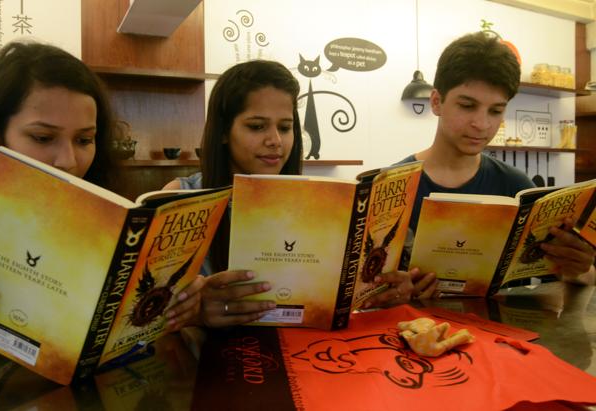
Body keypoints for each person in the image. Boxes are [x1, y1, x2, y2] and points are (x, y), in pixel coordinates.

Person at [0, 41, 203, 382]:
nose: (69, 161)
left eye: (84, 140)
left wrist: (175, 309)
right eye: (43, 138)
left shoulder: (106, 216)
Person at [163, 59, 415, 326]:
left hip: (299, 350)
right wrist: (195, 314)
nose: (275, 141)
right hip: (208, 358)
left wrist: (381, 288)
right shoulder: (181, 197)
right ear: (224, 131)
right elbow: (149, 322)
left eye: (284, 127)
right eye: (257, 126)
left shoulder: (317, 201)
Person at [386, 31, 595, 302]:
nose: (482, 124)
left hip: (502, 337)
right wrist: (390, 291)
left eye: (495, 111)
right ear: (436, 101)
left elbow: (577, 278)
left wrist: (577, 268)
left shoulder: (517, 188)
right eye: (467, 105)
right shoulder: (392, 188)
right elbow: (368, 291)